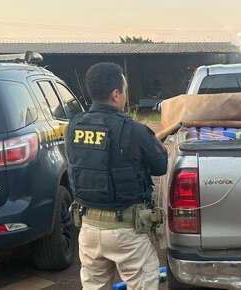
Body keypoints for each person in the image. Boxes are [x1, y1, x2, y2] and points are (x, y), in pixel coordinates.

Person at [66, 63, 168, 290]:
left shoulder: (73, 126)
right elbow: (160, 166)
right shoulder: (134, 130)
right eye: (124, 90)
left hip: (88, 228)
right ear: (115, 94)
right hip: (126, 231)